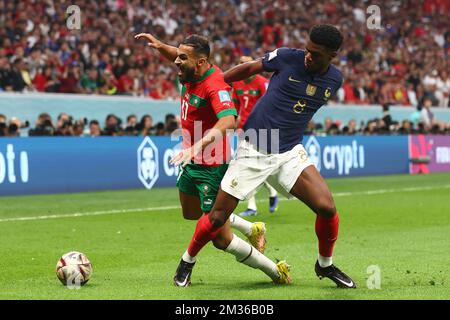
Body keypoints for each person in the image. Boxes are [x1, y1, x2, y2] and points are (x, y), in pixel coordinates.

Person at [174, 24, 357, 289]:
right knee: (216, 217)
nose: (308, 56)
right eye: (307, 50)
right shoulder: (287, 57)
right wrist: (217, 82)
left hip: (290, 150)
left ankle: (325, 265)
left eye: (316, 54)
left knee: (327, 207)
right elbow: (250, 69)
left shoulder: (334, 80)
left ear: (332, 55)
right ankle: (186, 262)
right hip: (255, 146)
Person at [134, 32, 291, 287]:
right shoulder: (189, 69)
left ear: (200, 62)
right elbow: (176, 55)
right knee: (191, 213)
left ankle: (275, 270)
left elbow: (229, 120)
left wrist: (197, 146)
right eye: (177, 55)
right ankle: (253, 229)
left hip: (211, 166)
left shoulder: (214, 85)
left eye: (182, 57)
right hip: (190, 161)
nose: (176, 61)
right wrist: (160, 46)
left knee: (220, 239)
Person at [231, 55, 279, 217]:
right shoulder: (236, 83)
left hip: (261, 128)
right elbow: (235, 106)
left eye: (245, 63)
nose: (242, 66)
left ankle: (272, 191)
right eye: (240, 63)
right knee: (246, 166)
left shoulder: (262, 83)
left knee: (259, 166)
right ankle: (252, 206)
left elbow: (270, 105)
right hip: (243, 129)